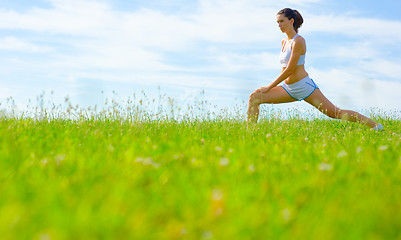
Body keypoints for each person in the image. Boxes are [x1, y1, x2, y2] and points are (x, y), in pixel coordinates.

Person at [247, 8, 383, 130]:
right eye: (277, 22)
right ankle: (250, 132)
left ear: (291, 21)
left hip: (304, 86)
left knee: (335, 113)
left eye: (282, 21)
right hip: (289, 89)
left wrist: (269, 87)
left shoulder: (298, 41)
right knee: (254, 97)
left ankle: (376, 126)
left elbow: (290, 70)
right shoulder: (284, 42)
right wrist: (270, 87)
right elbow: (284, 70)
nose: (279, 25)